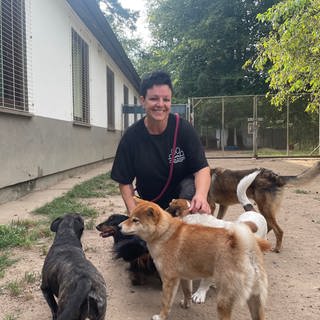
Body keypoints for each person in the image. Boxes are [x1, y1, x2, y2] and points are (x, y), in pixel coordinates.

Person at [111, 70, 211, 214]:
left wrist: (201, 195)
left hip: (185, 203)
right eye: (154, 99)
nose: (160, 104)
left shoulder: (183, 129)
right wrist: (134, 211)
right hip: (151, 207)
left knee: (189, 187)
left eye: (166, 99)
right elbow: (124, 181)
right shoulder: (131, 137)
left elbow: (201, 168)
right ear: (142, 101)